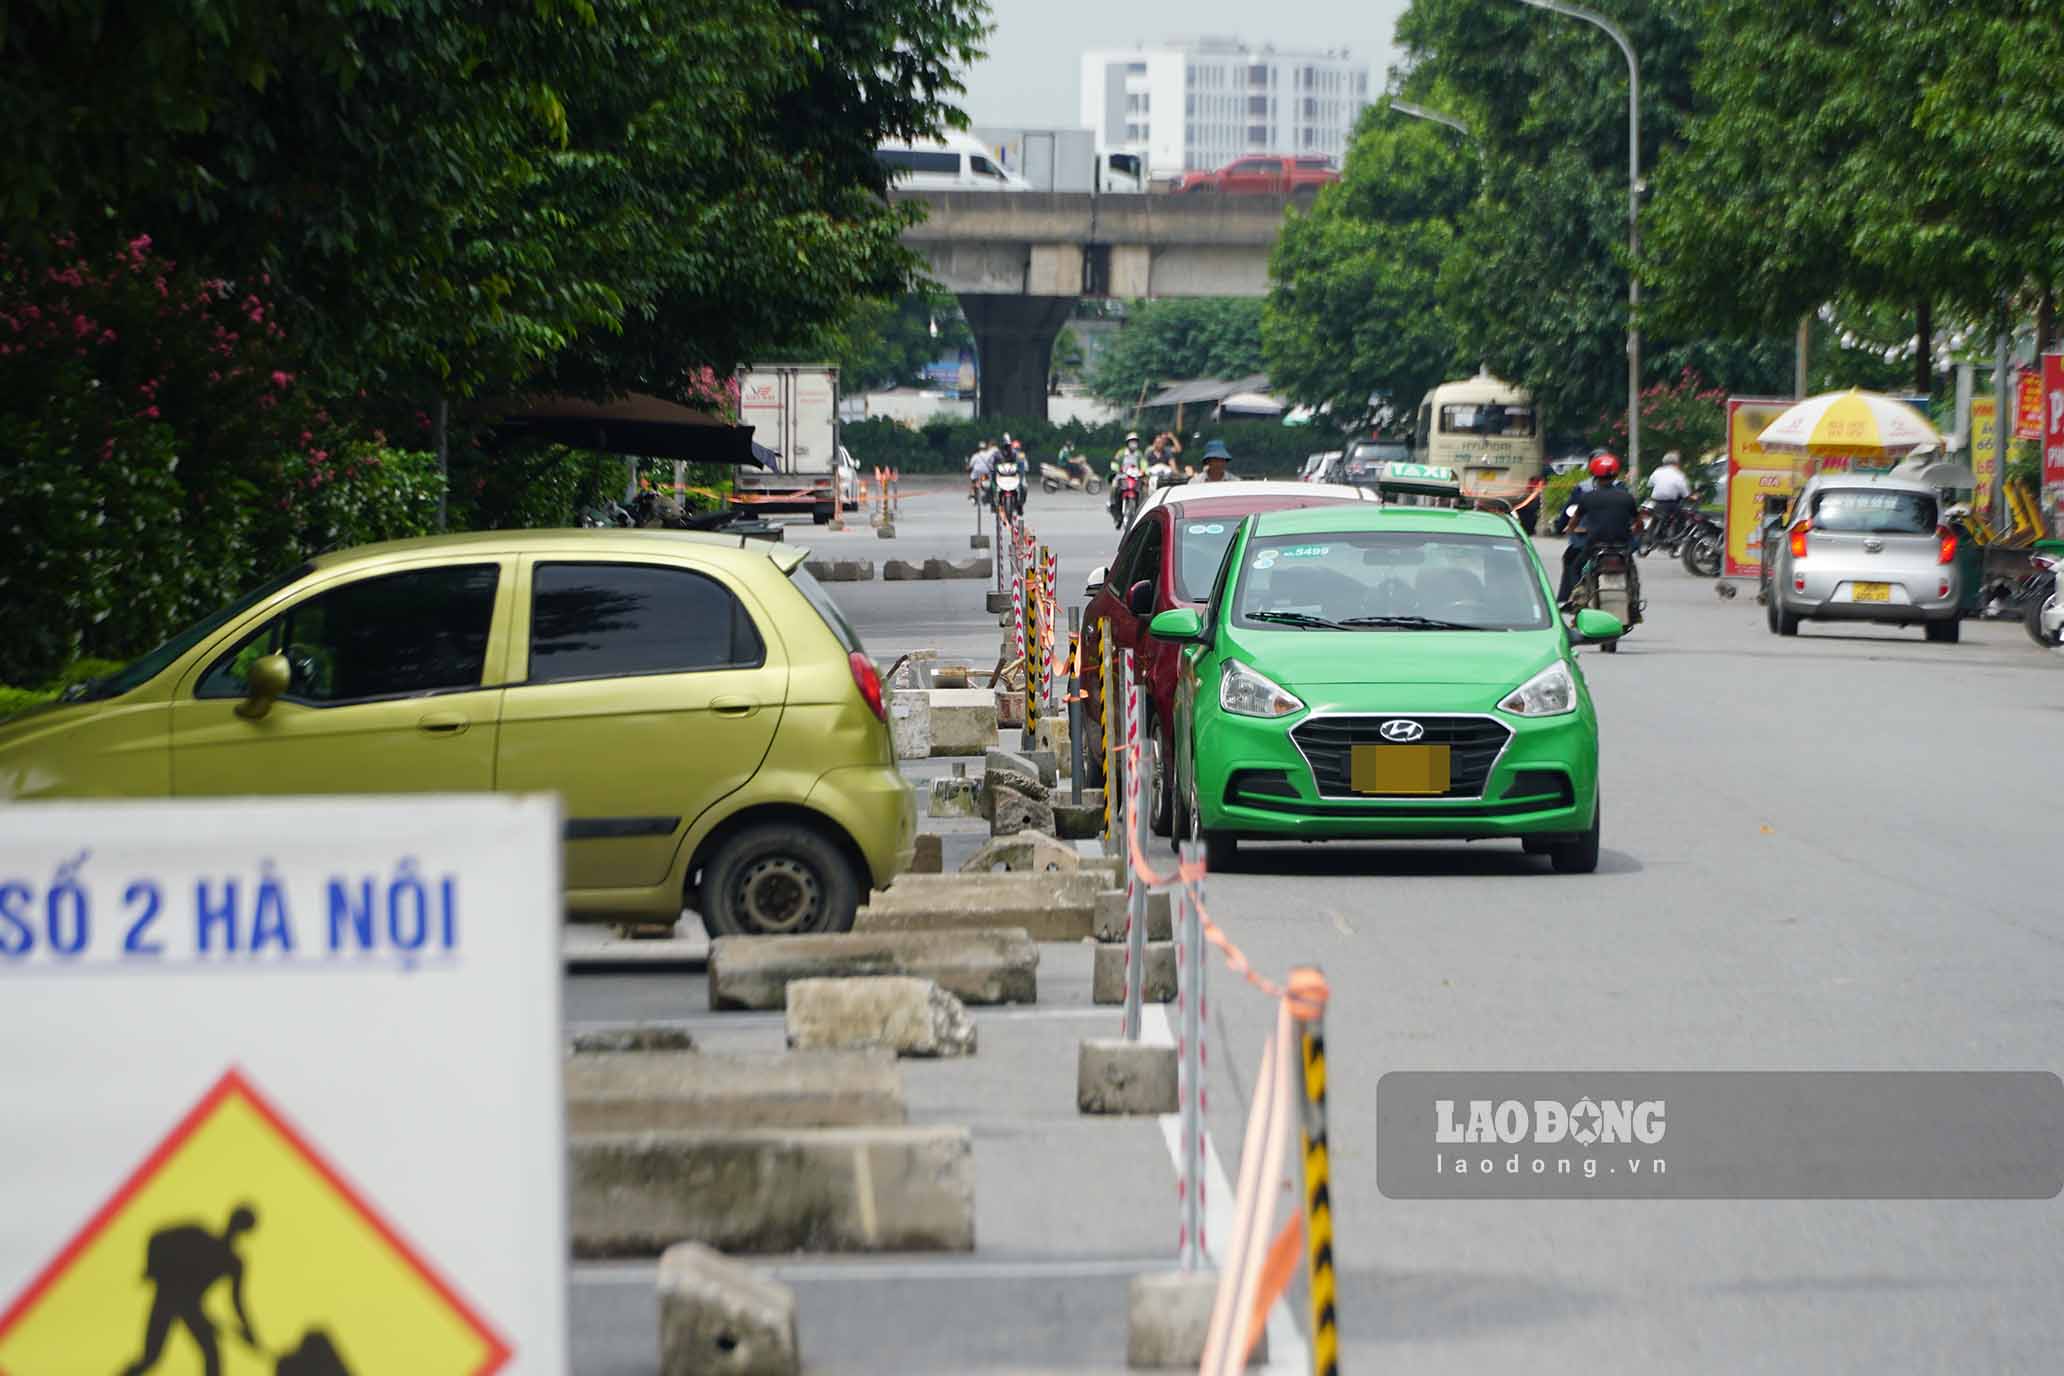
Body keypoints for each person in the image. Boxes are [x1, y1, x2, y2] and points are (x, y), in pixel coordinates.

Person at [123, 1205, 261, 1376]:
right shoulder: (197, 1235)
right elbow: (156, 1237)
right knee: (151, 1357)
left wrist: (249, 1331)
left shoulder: (233, 1263)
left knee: (211, 1355)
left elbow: (236, 1301)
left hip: (190, 1307)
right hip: (168, 1298)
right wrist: (153, 1269)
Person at [1558, 453, 1640, 607]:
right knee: (1631, 570)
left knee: (1576, 568)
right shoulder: (1626, 496)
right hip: (1622, 546)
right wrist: (1635, 532)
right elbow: (1638, 522)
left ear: (1593, 472)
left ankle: (1578, 601)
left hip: (1595, 546)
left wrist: (1569, 529)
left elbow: (1573, 521)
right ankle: (1634, 603)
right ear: (1616, 473)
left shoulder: (1587, 496)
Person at [1645, 449, 1692, 548]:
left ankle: (1655, 536)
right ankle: (1677, 539)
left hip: (1655, 501)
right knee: (1682, 516)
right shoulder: (1678, 474)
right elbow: (1685, 493)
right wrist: (1692, 496)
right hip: (1669, 503)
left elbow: (1649, 484)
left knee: (1657, 516)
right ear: (1676, 462)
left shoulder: (1657, 471)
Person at [1108, 431, 1145, 522]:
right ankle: (1113, 505)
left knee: (1143, 490)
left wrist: (1144, 471)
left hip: (1135, 477)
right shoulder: (1121, 453)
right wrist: (1116, 470)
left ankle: (1141, 510)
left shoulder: (1139, 454)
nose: (1133, 443)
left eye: (1135, 441)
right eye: (1131, 441)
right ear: (1127, 443)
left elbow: (1144, 464)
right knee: (1114, 486)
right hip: (1122, 476)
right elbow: (1115, 463)